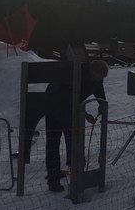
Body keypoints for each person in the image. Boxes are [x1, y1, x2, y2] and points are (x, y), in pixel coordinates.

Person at [44, 58, 109, 192]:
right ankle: (53, 179)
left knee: (73, 139)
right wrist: (85, 115)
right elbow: (67, 99)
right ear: (92, 71)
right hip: (54, 104)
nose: (98, 80)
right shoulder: (74, 73)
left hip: (70, 106)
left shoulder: (97, 78)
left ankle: (75, 169)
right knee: (55, 141)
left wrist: (101, 104)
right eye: (97, 77)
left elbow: (99, 89)